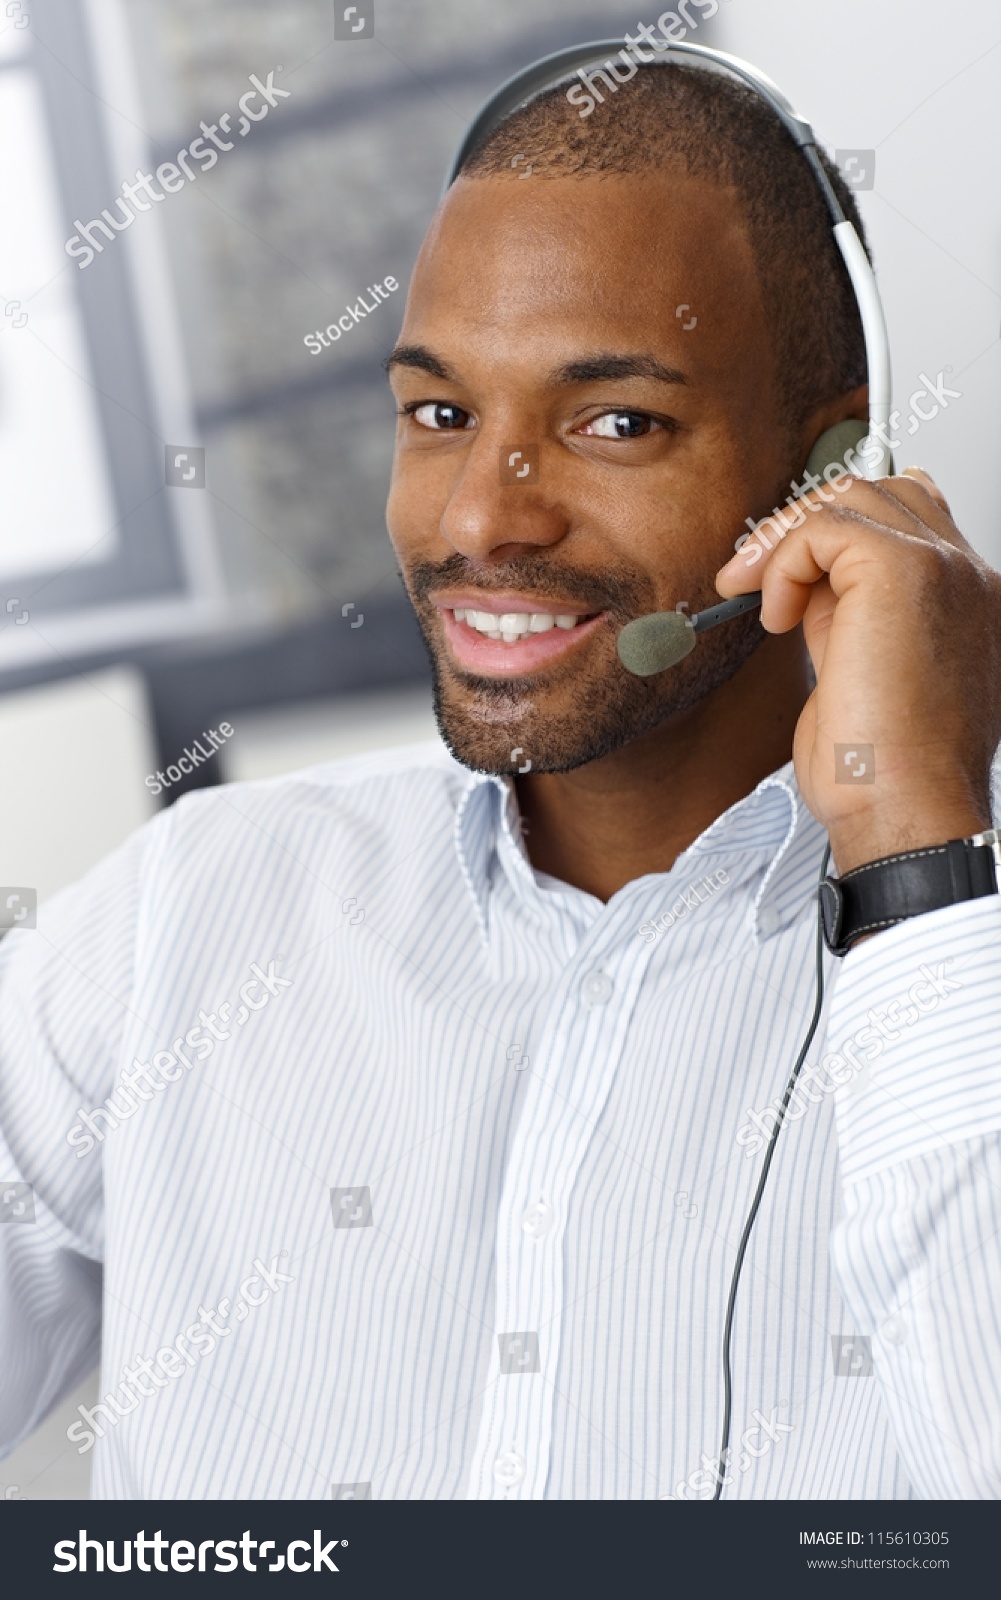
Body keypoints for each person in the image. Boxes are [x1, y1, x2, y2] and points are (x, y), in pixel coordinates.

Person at [2, 60, 1000, 1502]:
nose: (481, 518)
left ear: (831, 465)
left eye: (614, 425)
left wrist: (914, 845)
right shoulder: (183, 921)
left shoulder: (961, 948)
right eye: (439, 415)